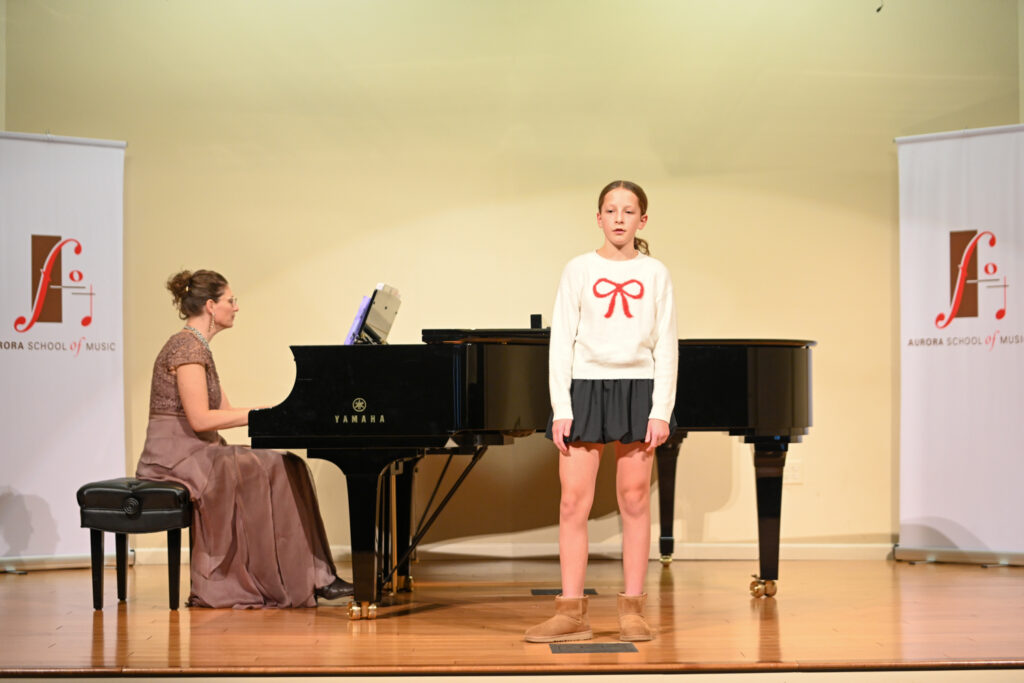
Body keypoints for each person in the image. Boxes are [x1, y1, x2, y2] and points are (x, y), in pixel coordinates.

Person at [136, 269, 353, 608]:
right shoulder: (185, 347)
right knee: (274, 467)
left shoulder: (199, 347)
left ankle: (314, 576)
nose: (236, 307)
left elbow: (225, 411)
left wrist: (274, 413)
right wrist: (260, 412)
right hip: (175, 458)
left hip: (199, 450)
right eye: (231, 300)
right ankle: (299, 579)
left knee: (289, 463)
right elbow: (200, 419)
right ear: (211, 306)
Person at [525, 180, 678, 643]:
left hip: (639, 389)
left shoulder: (656, 273)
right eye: (610, 210)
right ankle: (571, 613)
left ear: (642, 221)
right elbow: (561, 341)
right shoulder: (578, 269)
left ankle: (633, 611)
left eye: (628, 211)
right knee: (573, 502)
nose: (618, 219)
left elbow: (666, 344)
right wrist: (561, 406)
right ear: (598, 218)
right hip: (585, 388)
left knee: (634, 499)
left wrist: (661, 409)